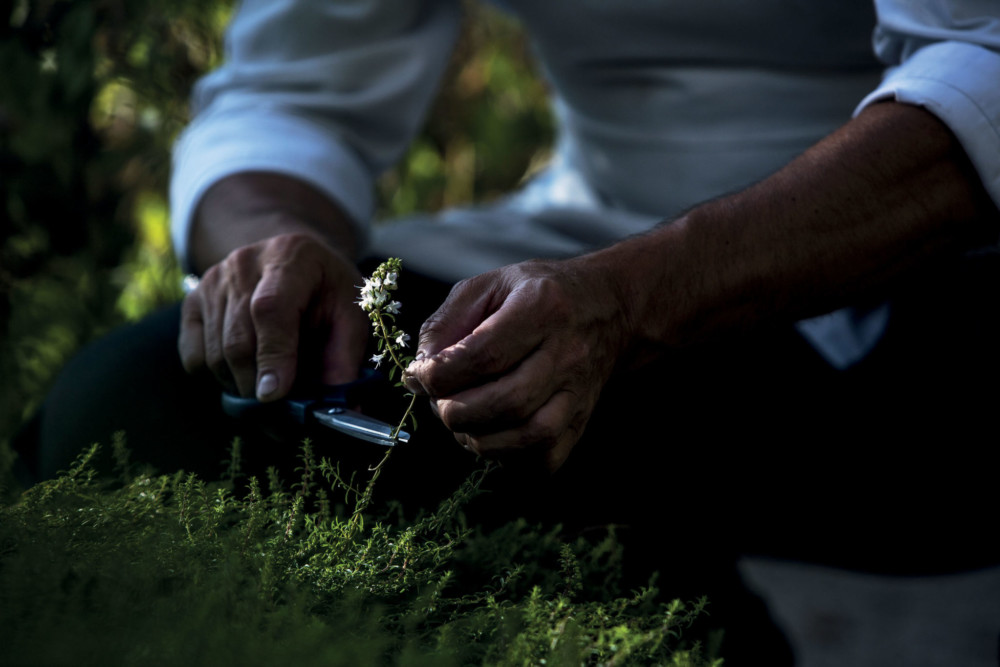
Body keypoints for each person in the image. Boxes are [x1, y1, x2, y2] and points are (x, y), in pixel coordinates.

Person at [17, 0, 1000, 662]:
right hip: (598, 232)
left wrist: (630, 298)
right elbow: (290, 92)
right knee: (137, 396)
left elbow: (981, 67)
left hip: (936, 283)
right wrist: (276, 251)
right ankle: (697, 614)